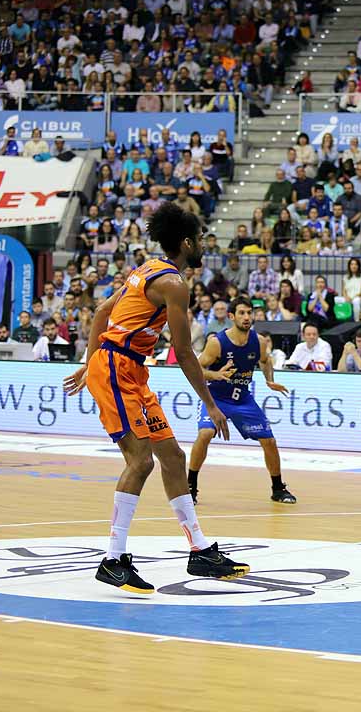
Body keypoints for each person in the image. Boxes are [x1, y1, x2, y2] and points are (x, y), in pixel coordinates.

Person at [63, 204, 248, 595]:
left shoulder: (147, 268)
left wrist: (89, 361)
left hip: (129, 370)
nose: (201, 245)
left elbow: (101, 311)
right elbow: (182, 352)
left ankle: (199, 550)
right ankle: (113, 560)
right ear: (186, 242)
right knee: (141, 460)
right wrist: (211, 404)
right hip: (117, 369)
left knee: (173, 457)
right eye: (198, 239)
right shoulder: (174, 284)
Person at [188, 298, 296, 505]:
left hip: (242, 399)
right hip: (217, 397)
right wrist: (215, 375)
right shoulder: (217, 343)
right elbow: (196, 369)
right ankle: (190, 487)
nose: (247, 317)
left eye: (249, 313)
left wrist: (269, 380)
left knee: (269, 441)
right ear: (231, 317)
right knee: (205, 434)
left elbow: (266, 361)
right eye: (242, 313)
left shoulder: (259, 341)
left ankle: (278, 488)